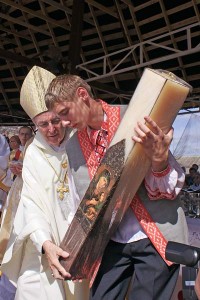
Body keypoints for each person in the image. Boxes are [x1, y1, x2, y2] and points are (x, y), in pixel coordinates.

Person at [45, 74, 189, 300]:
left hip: (153, 233)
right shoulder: (73, 146)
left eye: (65, 112)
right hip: (110, 242)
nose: (64, 123)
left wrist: (159, 160)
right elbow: (80, 203)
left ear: (82, 95)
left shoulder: (136, 116)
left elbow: (171, 189)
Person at [1, 67, 89, 300]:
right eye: (43, 124)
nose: (51, 129)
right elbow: (31, 203)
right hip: (42, 242)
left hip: (79, 240)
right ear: (34, 125)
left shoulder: (80, 141)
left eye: (55, 120)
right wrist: (45, 242)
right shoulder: (33, 154)